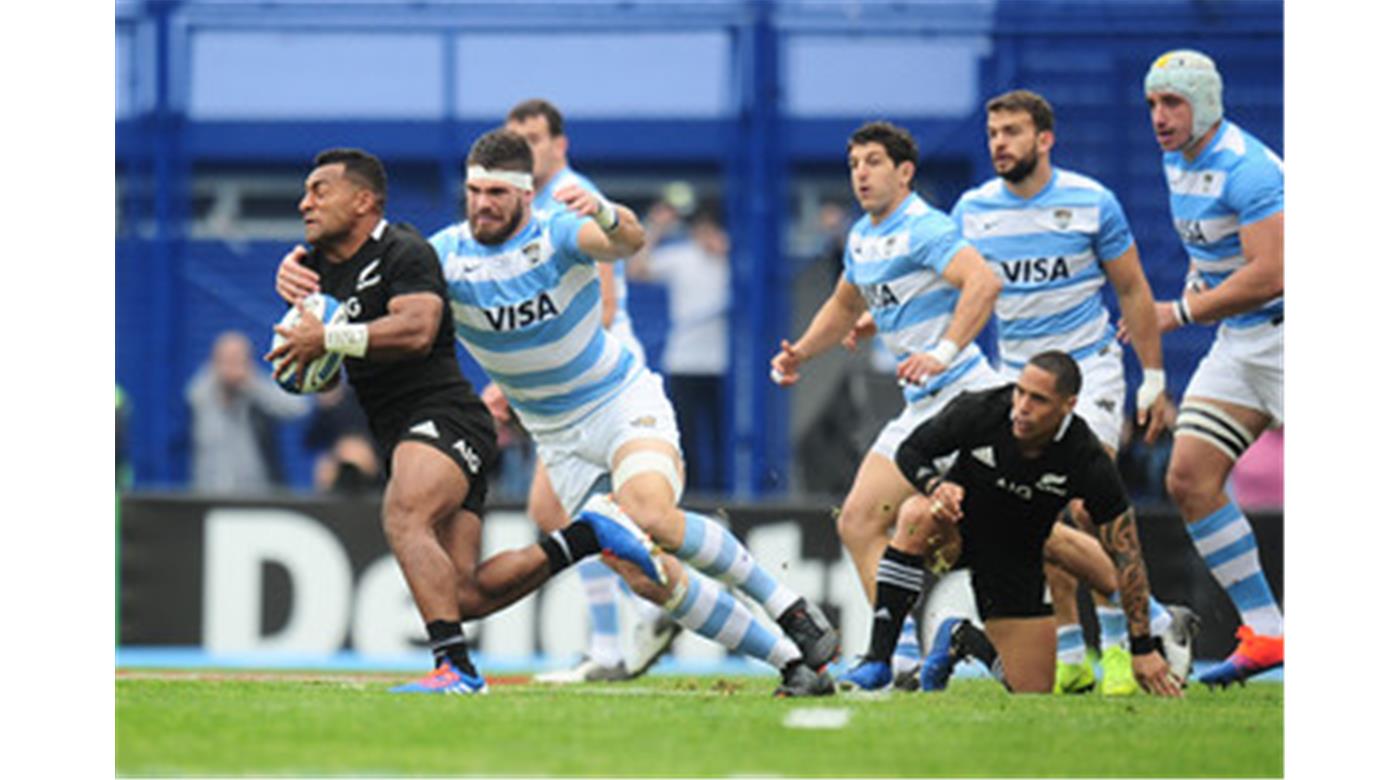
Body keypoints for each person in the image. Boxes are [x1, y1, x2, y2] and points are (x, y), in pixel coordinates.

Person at [422, 129, 836, 696]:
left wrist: (610, 214)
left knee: (650, 513)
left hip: (618, 402)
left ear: (524, 195)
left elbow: (628, 243)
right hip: (557, 440)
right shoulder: (445, 253)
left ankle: (788, 606)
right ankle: (793, 663)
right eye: (474, 191)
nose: (482, 204)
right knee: (645, 577)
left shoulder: (558, 229)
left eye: (496, 192)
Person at [268, 147, 668, 695]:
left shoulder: (405, 250)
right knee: (462, 596)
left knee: (404, 514)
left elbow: (417, 329)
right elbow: (332, 375)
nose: (304, 202)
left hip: (447, 417)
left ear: (363, 201)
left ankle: (455, 669)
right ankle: (589, 534)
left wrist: (329, 336)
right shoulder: (317, 271)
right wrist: (310, 352)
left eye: (319, 190)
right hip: (407, 431)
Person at [946, 89, 1194, 695]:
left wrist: (1155, 382)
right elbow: (944, 280)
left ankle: (1117, 646)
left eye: (1011, 132)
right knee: (1034, 513)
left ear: (1044, 139)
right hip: (1017, 380)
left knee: (1086, 504)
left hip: (1089, 373)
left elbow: (1134, 291)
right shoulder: (972, 210)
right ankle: (1077, 647)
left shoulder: (1091, 202)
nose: (999, 143)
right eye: (993, 133)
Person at [770, 121, 1004, 687]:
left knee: (1028, 539)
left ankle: (1142, 625)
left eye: (874, 162)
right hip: (921, 407)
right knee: (856, 521)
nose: (861, 174)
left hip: (967, 398)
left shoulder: (923, 226)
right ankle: (898, 655)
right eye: (854, 164)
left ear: (905, 172)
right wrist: (801, 352)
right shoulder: (862, 236)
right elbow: (844, 304)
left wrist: (943, 352)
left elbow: (984, 282)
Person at [842, 351, 1182, 697]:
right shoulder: (982, 409)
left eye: (1038, 399)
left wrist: (1142, 648)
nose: (1021, 407)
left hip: (1016, 558)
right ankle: (880, 659)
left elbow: (1127, 553)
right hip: (955, 531)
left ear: (1068, 405)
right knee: (916, 514)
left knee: (1032, 691)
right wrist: (935, 485)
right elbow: (911, 451)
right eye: (1020, 392)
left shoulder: (1086, 458)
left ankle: (964, 638)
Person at [497, 98, 681, 684]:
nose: (525, 146)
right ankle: (639, 622)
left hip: (597, 377)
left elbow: (600, 305)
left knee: (570, 511)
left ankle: (633, 628)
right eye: (515, 136)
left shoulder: (571, 196)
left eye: (534, 136)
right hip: (571, 375)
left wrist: (532, 370)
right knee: (561, 511)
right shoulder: (525, 205)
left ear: (559, 145)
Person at [1139, 50, 1284, 687]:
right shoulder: (1178, 159)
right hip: (1242, 340)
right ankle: (1270, 633)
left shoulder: (1248, 168)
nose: (1160, 117)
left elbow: (1274, 271)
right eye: (1152, 104)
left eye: (1172, 103)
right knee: (1190, 477)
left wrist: (1181, 311)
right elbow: (1216, 254)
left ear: (1205, 102)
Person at [628, 203, 731, 495]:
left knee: (721, 432)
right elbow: (638, 269)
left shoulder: (734, 258)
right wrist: (656, 229)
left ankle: (724, 491)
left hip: (721, 362)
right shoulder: (682, 256)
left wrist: (728, 252)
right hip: (684, 360)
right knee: (685, 431)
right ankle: (693, 491)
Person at [185, 330, 311, 494]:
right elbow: (193, 395)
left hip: (257, 497)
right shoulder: (202, 395)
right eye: (226, 360)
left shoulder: (258, 392)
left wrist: (251, 383)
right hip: (209, 496)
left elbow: (299, 408)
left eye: (237, 360)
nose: (231, 367)